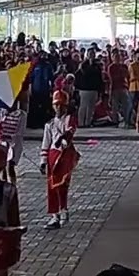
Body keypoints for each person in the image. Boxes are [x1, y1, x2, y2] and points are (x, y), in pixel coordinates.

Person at [40, 89, 78, 230]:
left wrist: (63, 139)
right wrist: (43, 161)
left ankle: (63, 209)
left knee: (63, 185)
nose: (58, 108)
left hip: (65, 156)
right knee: (52, 187)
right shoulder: (49, 124)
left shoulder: (69, 120)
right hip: (52, 156)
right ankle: (54, 214)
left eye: (61, 105)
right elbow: (46, 143)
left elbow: (70, 132)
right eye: (56, 105)